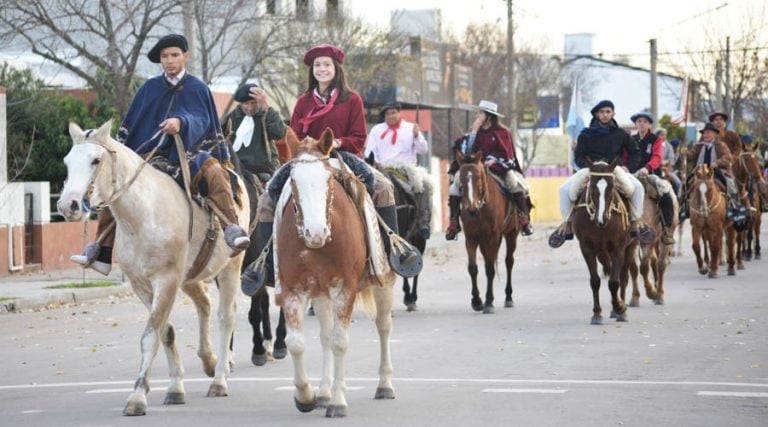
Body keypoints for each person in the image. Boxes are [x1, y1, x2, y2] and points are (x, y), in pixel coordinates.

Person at [241, 43, 419, 294]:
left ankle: (393, 251)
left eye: (326, 65)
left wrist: (336, 142)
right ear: (312, 71)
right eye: (317, 66)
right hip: (307, 159)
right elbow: (295, 134)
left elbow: (358, 136)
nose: (321, 69)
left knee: (383, 187)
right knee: (267, 198)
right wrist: (306, 147)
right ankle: (267, 264)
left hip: (342, 156)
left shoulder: (352, 100)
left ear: (336, 68)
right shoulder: (303, 101)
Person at [71, 34, 249, 275]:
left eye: (174, 55)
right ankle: (102, 251)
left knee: (215, 171)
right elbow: (134, 124)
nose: (169, 60)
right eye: (165, 57)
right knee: (116, 187)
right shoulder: (149, 89)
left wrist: (182, 122)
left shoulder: (198, 88)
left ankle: (232, 228)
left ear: (185, 56)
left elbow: (204, 120)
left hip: (190, 153)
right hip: (151, 157)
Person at [548, 100, 652, 248]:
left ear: (613, 114)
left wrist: (628, 167)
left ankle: (636, 222)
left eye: (608, 112)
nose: (605, 115)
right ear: (597, 114)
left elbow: (635, 153)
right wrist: (589, 167)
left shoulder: (621, 133)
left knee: (637, 188)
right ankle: (568, 225)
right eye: (602, 112)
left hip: (613, 170)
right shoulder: (585, 134)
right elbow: (579, 157)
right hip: (591, 169)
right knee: (565, 190)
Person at [445, 100, 534, 240]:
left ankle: (523, 219)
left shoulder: (503, 132)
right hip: (475, 170)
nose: (477, 115)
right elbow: (466, 151)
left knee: (515, 184)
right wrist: (474, 131)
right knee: (454, 187)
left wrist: (495, 160)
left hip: (499, 168)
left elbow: (508, 155)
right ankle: (454, 223)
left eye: (480, 113)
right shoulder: (474, 133)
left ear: (489, 116)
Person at [364, 101, 432, 239]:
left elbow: (423, 149)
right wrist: (377, 163)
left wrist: (417, 136)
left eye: (393, 112)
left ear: (399, 113)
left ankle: (423, 222)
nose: (391, 116)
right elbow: (369, 152)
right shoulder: (377, 130)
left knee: (423, 185)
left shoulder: (411, 128)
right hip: (383, 168)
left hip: (406, 169)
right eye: (388, 113)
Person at [679, 122, 746, 222]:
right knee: (685, 184)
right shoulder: (698, 146)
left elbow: (728, 158)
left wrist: (717, 162)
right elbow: (691, 155)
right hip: (699, 173)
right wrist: (685, 153)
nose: (705, 135)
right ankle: (684, 207)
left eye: (708, 133)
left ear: (715, 134)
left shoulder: (721, 145)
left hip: (716, 172)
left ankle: (734, 206)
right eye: (704, 133)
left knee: (731, 183)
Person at [221, 83, 286, 180]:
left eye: (253, 103)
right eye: (246, 104)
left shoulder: (266, 115)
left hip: (263, 168)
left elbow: (279, 133)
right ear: (240, 103)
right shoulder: (231, 118)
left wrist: (266, 107)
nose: (250, 108)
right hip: (236, 168)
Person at [628, 113, 676, 245]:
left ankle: (667, 230)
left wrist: (647, 168)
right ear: (636, 124)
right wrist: (625, 167)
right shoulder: (631, 139)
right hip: (632, 175)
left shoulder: (656, 139)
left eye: (644, 121)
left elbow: (657, 157)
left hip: (651, 174)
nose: (642, 123)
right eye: (639, 121)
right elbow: (626, 157)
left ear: (649, 124)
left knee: (665, 194)